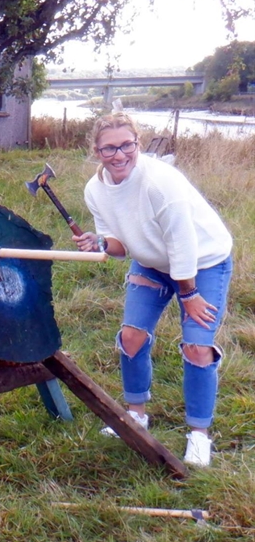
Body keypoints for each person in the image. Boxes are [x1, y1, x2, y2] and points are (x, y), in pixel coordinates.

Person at [74, 112, 233, 467]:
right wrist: (99, 241)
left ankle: (198, 435)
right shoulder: (95, 190)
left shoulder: (160, 182)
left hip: (202, 262)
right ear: (96, 151)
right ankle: (136, 416)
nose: (119, 155)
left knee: (197, 347)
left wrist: (189, 296)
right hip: (151, 263)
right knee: (131, 336)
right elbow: (118, 246)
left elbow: (183, 245)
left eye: (127, 145)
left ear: (138, 144)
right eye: (109, 148)